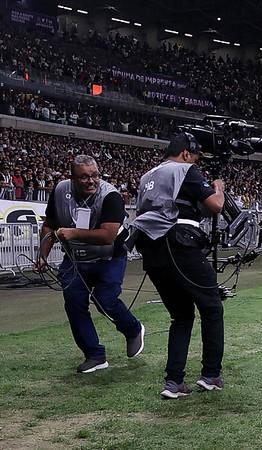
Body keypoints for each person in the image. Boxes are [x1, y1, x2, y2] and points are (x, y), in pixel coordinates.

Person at [132, 132, 226, 399]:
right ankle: (211, 375)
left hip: (151, 249)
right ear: (186, 153)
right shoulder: (184, 169)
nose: (195, 161)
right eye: (195, 156)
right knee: (211, 307)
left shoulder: (147, 176)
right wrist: (218, 186)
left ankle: (173, 382)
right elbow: (216, 205)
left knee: (182, 316)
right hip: (179, 244)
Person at [34, 155, 144, 374]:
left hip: (109, 256)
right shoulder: (59, 191)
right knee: (74, 302)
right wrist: (43, 254)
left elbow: (108, 235)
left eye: (95, 175)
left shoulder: (111, 195)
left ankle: (133, 330)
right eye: (84, 177)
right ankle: (94, 355)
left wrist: (73, 232)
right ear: (72, 178)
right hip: (76, 258)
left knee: (105, 300)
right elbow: (49, 225)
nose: (91, 181)